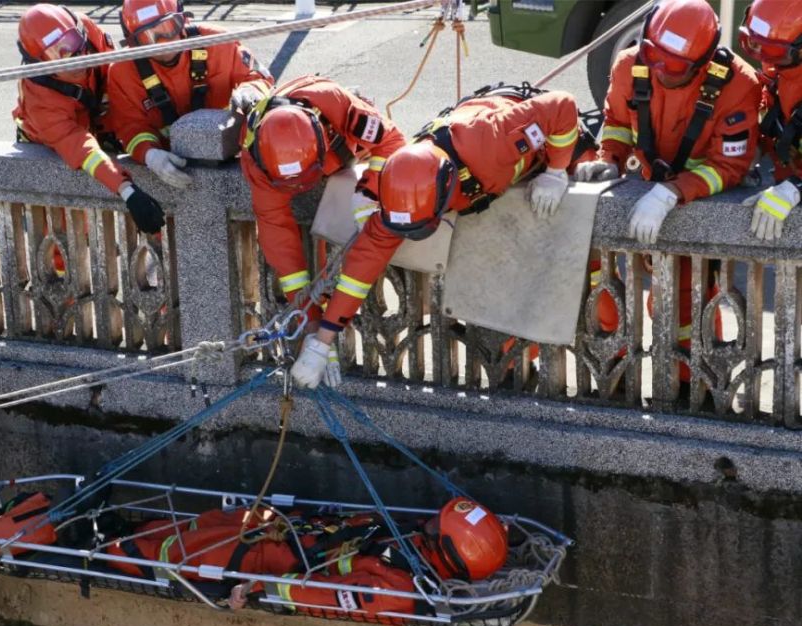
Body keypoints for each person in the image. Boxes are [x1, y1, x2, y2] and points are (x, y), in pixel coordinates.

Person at [290, 87, 581, 389]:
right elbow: (360, 270)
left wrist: (556, 170)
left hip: (542, 149)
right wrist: (321, 342)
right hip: (490, 182)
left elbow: (561, 106)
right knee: (495, 298)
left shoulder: (492, 140)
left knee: (579, 278)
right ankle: (518, 373)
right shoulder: (400, 193)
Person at [573, 0, 762, 389]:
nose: (659, 70)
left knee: (685, 306)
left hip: (694, 204)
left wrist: (673, 193)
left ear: (703, 62)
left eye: (673, 66)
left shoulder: (739, 85)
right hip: (644, 189)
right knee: (618, 297)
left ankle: (697, 388)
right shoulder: (630, 64)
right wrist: (609, 159)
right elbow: (617, 123)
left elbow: (730, 166)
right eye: (654, 56)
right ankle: (615, 382)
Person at [240, 75, 408, 385]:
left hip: (347, 149)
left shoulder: (334, 103)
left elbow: (392, 141)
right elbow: (283, 252)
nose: (303, 188)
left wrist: (370, 192)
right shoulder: (257, 160)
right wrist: (312, 327)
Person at [105, 497, 508, 621]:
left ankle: (104, 547)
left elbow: (319, 596)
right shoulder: (415, 542)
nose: (427, 521)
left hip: (272, 560)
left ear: (449, 551)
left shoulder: (398, 591)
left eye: (436, 527)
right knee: (206, 524)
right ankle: (122, 529)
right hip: (288, 532)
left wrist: (257, 589)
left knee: (178, 555)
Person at [13, 4, 164, 235]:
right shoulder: (39, 99)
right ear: (40, 65)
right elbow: (82, 148)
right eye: (58, 56)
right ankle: (61, 268)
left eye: (73, 45)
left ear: (80, 32)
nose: (74, 60)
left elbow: (116, 72)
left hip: (96, 120)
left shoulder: (89, 33)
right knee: (61, 226)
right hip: (48, 144)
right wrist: (127, 191)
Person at [108, 0, 274, 190]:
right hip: (171, 171)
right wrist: (149, 155)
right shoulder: (123, 72)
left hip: (232, 160)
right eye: (148, 36)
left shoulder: (217, 42)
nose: (163, 42)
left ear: (182, 20)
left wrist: (251, 90)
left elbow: (261, 79)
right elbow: (130, 128)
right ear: (133, 42)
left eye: (167, 27)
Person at [738, 0, 802, 240]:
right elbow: (775, 117)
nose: (766, 59)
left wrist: (796, 188)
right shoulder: (780, 69)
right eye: (756, 45)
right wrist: (754, 148)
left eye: (773, 51)